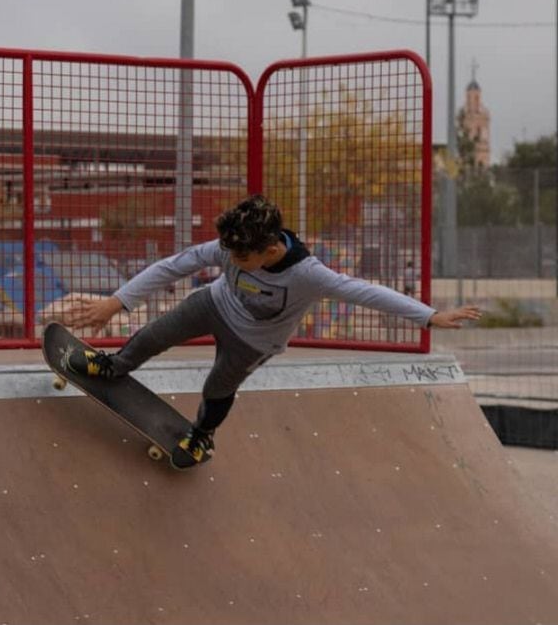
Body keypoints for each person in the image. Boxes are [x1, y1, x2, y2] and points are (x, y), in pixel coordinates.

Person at [65, 195, 481, 464]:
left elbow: (365, 293)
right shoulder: (230, 247)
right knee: (158, 333)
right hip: (215, 304)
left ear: (269, 250)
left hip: (254, 339)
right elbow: (174, 265)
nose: (228, 260)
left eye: (240, 258)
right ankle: (115, 365)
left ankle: (203, 436)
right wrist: (117, 301)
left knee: (218, 386)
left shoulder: (309, 275)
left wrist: (428, 316)